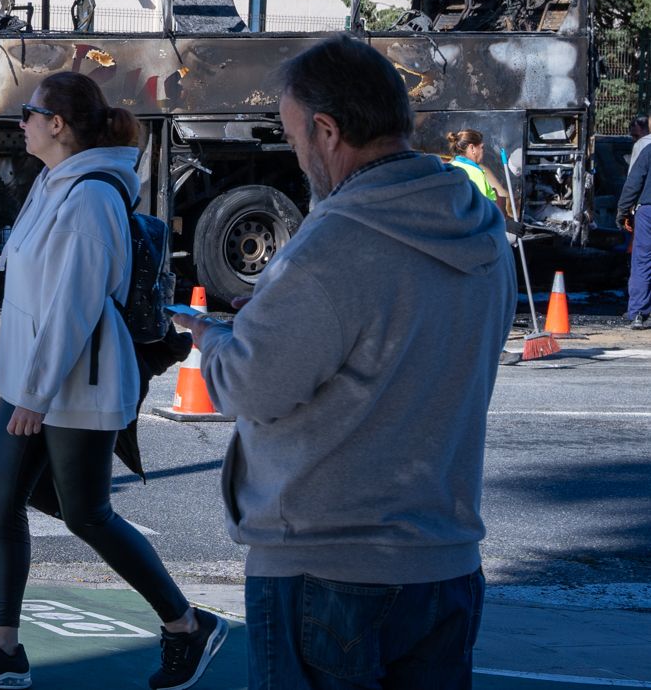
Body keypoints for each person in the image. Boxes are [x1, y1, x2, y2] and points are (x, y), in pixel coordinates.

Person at [185, 37, 517, 689]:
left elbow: (250, 386)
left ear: (327, 131)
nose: (294, 152)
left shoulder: (332, 246)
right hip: (444, 563)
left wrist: (215, 337)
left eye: (290, 134)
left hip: (325, 568)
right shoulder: (479, 231)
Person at [0, 71, 227, 690]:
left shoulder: (89, 196)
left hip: (76, 384)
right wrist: (28, 389)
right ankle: (2, 647)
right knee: (4, 500)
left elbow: (75, 305)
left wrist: (34, 397)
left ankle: (185, 624)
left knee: (87, 515)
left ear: (58, 125)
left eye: (30, 114)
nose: (22, 123)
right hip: (35, 380)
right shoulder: (55, 183)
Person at [617, 138, 651, 329]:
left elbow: (634, 182)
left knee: (643, 261)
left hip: (648, 210)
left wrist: (622, 211)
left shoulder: (648, 150)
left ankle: (638, 313)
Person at [445, 128, 500, 209]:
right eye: (481, 147)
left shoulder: (450, 166)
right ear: (472, 148)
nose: (482, 151)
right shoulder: (475, 173)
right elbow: (480, 209)